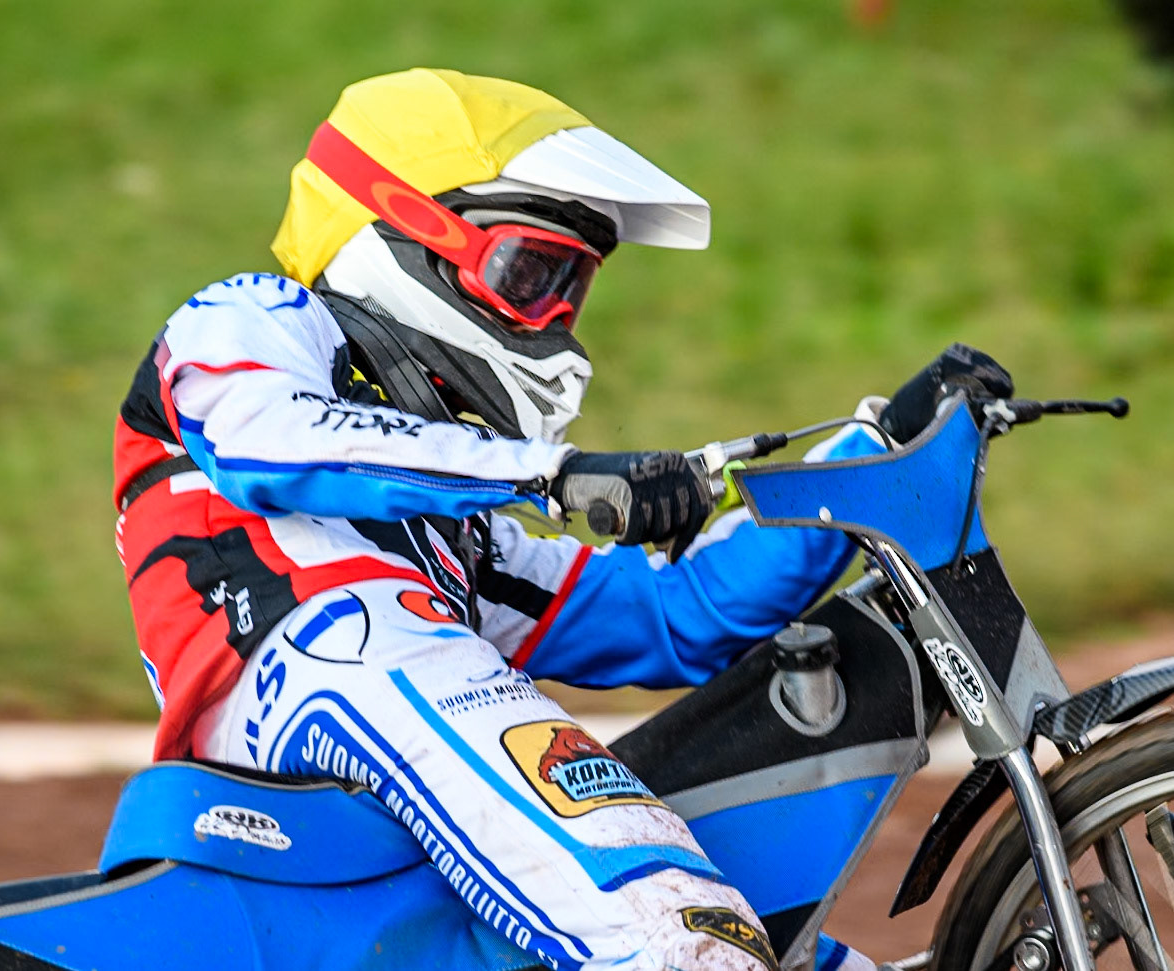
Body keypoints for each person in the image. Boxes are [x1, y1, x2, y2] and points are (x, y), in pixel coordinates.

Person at [113, 69, 1012, 971]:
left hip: (370, 810)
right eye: (531, 273)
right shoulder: (257, 316)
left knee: (785, 954)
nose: (557, 320)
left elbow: (674, 611)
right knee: (678, 929)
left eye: (571, 289)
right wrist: (560, 475)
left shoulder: (458, 539)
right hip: (317, 674)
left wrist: (872, 449)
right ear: (398, 230)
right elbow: (269, 439)